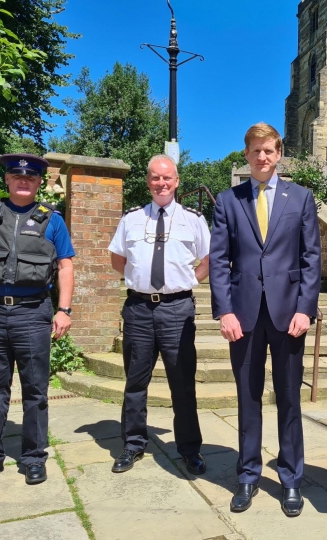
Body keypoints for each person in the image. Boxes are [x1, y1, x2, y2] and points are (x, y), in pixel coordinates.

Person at [210, 123, 321, 517]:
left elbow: (311, 259)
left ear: (279, 153)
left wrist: (305, 309)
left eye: (269, 151)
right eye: (255, 150)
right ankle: (247, 474)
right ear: (247, 154)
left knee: (289, 398)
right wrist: (223, 310)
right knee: (247, 397)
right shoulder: (228, 200)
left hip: (288, 313)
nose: (262, 157)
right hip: (243, 315)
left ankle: (291, 479)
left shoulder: (301, 197)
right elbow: (219, 262)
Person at [0, 153, 75, 486]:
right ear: (7, 180)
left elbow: (66, 266)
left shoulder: (52, 220)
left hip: (33, 313)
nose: (24, 181)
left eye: (31, 178)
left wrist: (64, 310)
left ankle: (34, 457)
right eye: (17, 176)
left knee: (36, 390)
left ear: (40, 183)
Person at [107, 154, 210, 476]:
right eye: (155, 177)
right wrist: (140, 281)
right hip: (139, 309)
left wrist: (186, 282)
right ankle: (133, 445)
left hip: (177, 310)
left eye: (167, 178)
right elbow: (117, 258)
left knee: (183, 385)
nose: (161, 183)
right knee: (135, 383)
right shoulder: (132, 219)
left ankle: (190, 450)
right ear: (148, 181)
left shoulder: (193, 219)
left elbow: (209, 258)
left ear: (176, 181)